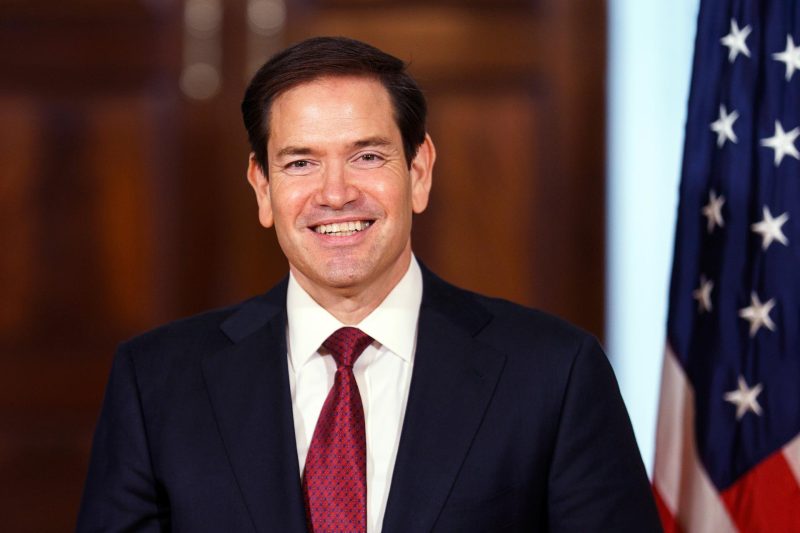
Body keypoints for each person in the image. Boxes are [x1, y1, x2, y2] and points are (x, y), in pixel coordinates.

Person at [77, 36, 661, 532]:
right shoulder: (156, 383)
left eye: (367, 157)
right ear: (262, 188)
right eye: (301, 162)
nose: (335, 194)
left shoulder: (556, 374)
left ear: (419, 171)